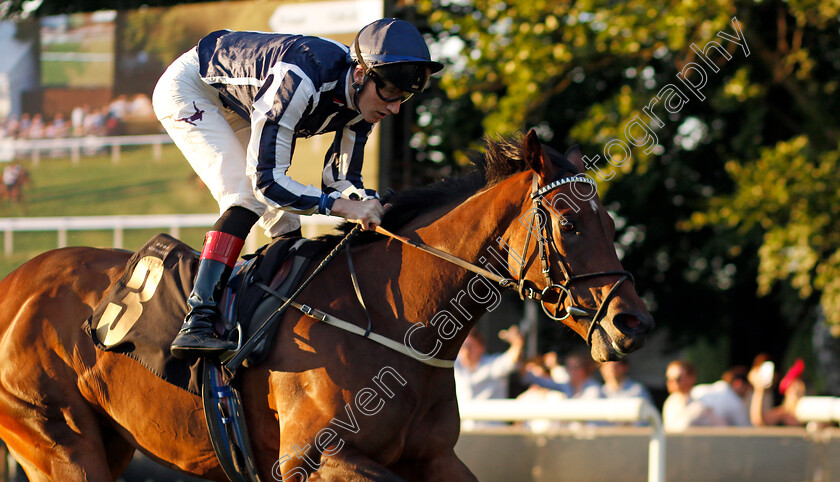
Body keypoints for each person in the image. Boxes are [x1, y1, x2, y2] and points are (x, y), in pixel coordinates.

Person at [152, 18, 443, 359]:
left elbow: (341, 180)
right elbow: (267, 182)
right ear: (362, 75)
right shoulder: (300, 81)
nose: (394, 107)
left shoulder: (365, 103)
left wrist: (369, 203)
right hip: (193, 87)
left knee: (287, 226)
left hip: (243, 99)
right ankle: (197, 320)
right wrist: (343, 208)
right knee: (246, 197)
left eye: (404, 97)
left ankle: (270, 319)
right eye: (391, 93)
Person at [662, 360, 725, 431]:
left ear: (691, 378)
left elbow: (720, 430)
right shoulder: (670, 403)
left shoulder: (703, 405)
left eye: (677, 379)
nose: (670, 382)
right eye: (668, 378)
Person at [749, 358, 806, 426]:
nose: (797, 388)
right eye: (793, 387)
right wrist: (759, 389)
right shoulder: (781, 413)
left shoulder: (809, 410)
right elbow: (759, 421)